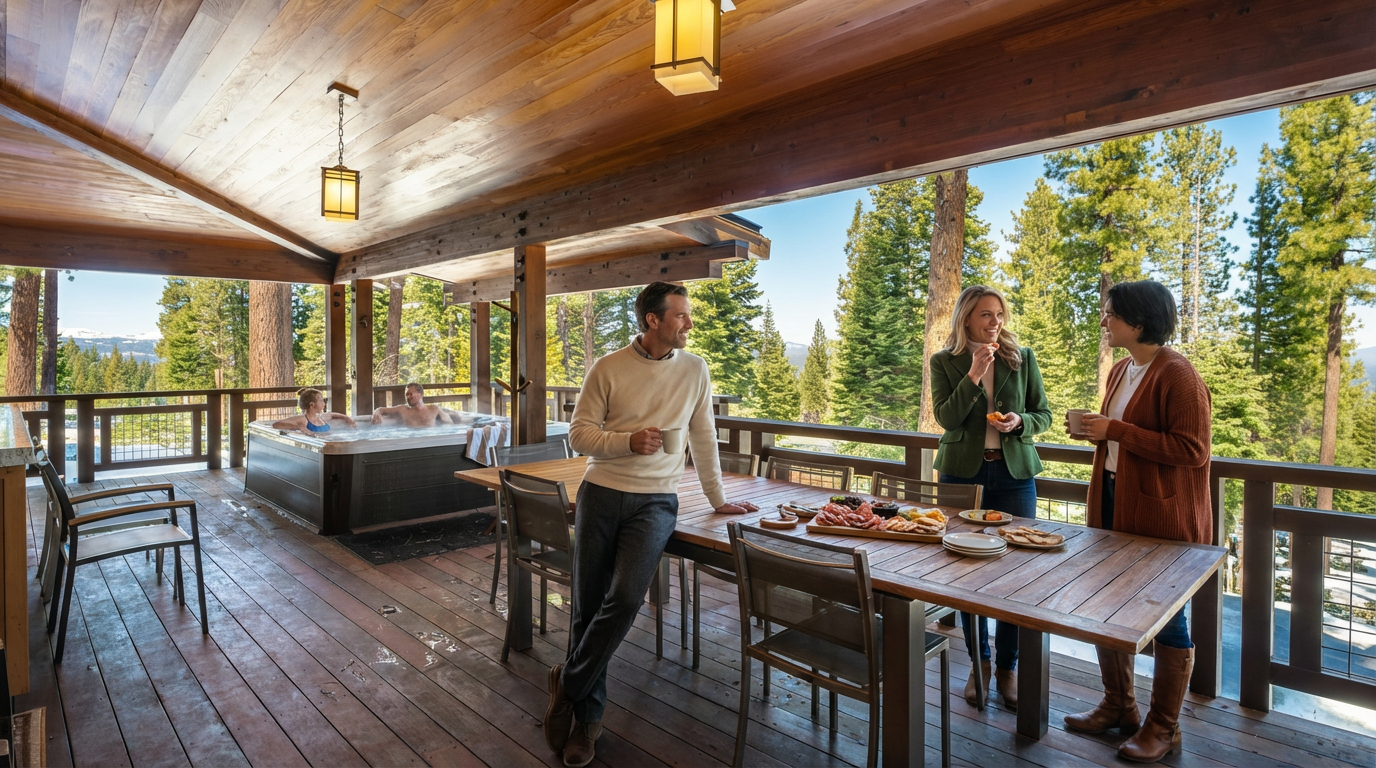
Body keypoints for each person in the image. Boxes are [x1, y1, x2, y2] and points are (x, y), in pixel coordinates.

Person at [545, 281, 758, 768]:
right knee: (587, 607)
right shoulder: (608, 367)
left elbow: (704, 435)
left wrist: (718, 498)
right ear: (652, 320)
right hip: (601, 493)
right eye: (680, 315)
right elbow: (579, 435)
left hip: (657, 501)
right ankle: (588, 723)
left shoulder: (695, 369)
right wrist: (627, 442)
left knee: (624, 599)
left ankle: (567, 684)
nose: (689, 323)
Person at [1064, 279, 1212, 763]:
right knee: (1107, 604)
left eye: (1111, 313)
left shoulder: (1178, 374)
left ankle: (1164, 727)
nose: (1104, 321)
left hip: (1161, 513)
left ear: (1139, 320)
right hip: (1114, 501)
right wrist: (1095, 431)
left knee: (1168, 617)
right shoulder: (1121, 370)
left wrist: (1118, 430)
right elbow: (1121, 435)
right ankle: (1119, 705)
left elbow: (1193, 450)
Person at [929, 285, 1052, 711]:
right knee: (967, 572)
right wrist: (973, 375)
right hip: (962, 475)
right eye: (986, 314)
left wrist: (1020, 422)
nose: (995, 322)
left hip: (1014, 476)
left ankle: (1007, 667)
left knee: (1016, 574)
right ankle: (978, 662)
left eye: (999, 314)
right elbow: (946, 418)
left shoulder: (1022, 357)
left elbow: (1043, 414)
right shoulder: (945, 361)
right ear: (966, 318)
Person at [271, 388, 357, 433]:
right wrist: (298, 427)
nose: (323, 404)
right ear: (312, 405)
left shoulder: (321, 417)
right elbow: (276, 424)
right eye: (321, 401)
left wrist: (347, 418)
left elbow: (332, 415)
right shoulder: (303, 419)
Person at [370, 383, 454, 427]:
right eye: (406, 395)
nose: (408, 397)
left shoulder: (434, 409)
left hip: (429, 441)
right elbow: (380, 409)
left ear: (420, 394)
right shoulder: (403, 409)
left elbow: (450, 424)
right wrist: (376, 412)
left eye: (410, 394)